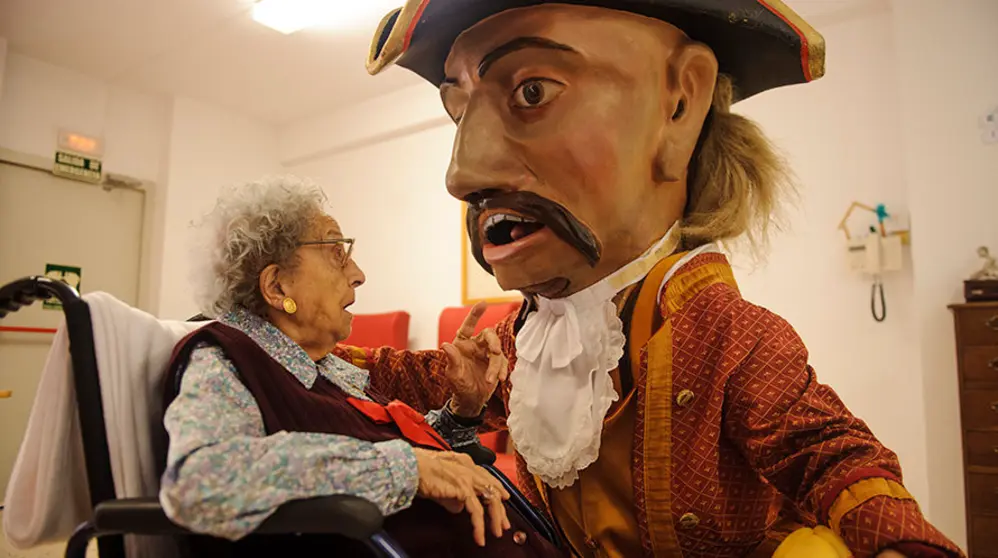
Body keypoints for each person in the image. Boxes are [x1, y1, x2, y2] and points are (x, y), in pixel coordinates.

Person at [361, 1, 965, 557]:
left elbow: (830, 452)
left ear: (680, 105)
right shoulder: (532, 337)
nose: (463, 173)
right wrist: (285, 338)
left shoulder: (725, 333)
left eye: (532, 91)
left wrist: (901, 544)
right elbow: (416, 378)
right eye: (460, 113)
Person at [159, 175, 564, 557]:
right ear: (278, 286)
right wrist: (409, 469)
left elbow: (400, 459)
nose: (358, 275)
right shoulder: (226, 360)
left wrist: (463, 412)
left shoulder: (324, 369)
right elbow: (203, 482)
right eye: (337, 254)